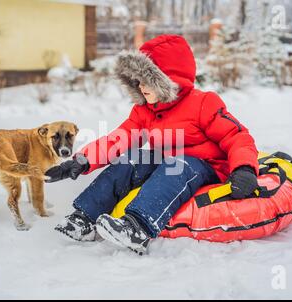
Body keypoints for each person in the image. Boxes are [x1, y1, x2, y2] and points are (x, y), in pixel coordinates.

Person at [45, 35, 259, 255]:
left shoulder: (203, 102)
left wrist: (244, 168)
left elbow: (236, 135)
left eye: (148, 80)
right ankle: (84, 219)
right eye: (138, 80)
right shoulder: (145, 110)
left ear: (167, 79)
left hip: (205, 167)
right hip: (167, 165)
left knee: (178, 163)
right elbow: (119, 138)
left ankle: (137, 227)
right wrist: (82, 160)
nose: (141, 86)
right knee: (132, 158)